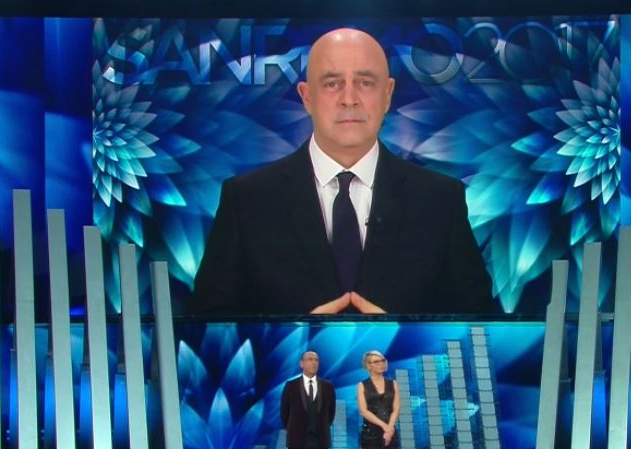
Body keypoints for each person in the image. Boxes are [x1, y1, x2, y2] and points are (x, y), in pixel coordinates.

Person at [190, 27, 495, 316]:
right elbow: (206, 332)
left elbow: (483, 328)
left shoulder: (440, 200)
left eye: (365, 83)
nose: (349, 99)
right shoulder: (247, 200)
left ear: (387, 94)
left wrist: (402, 338)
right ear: (306, 97)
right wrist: (297, 339)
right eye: (332, 83)